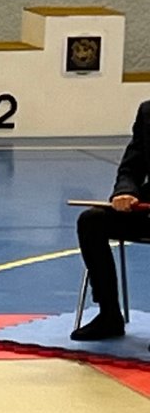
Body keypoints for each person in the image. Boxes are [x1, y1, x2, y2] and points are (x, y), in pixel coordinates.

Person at [71, 99, 150, 340]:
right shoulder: (148, 112)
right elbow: (131, 168)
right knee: (91, 221)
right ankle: (109, 315)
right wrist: (125, 192)